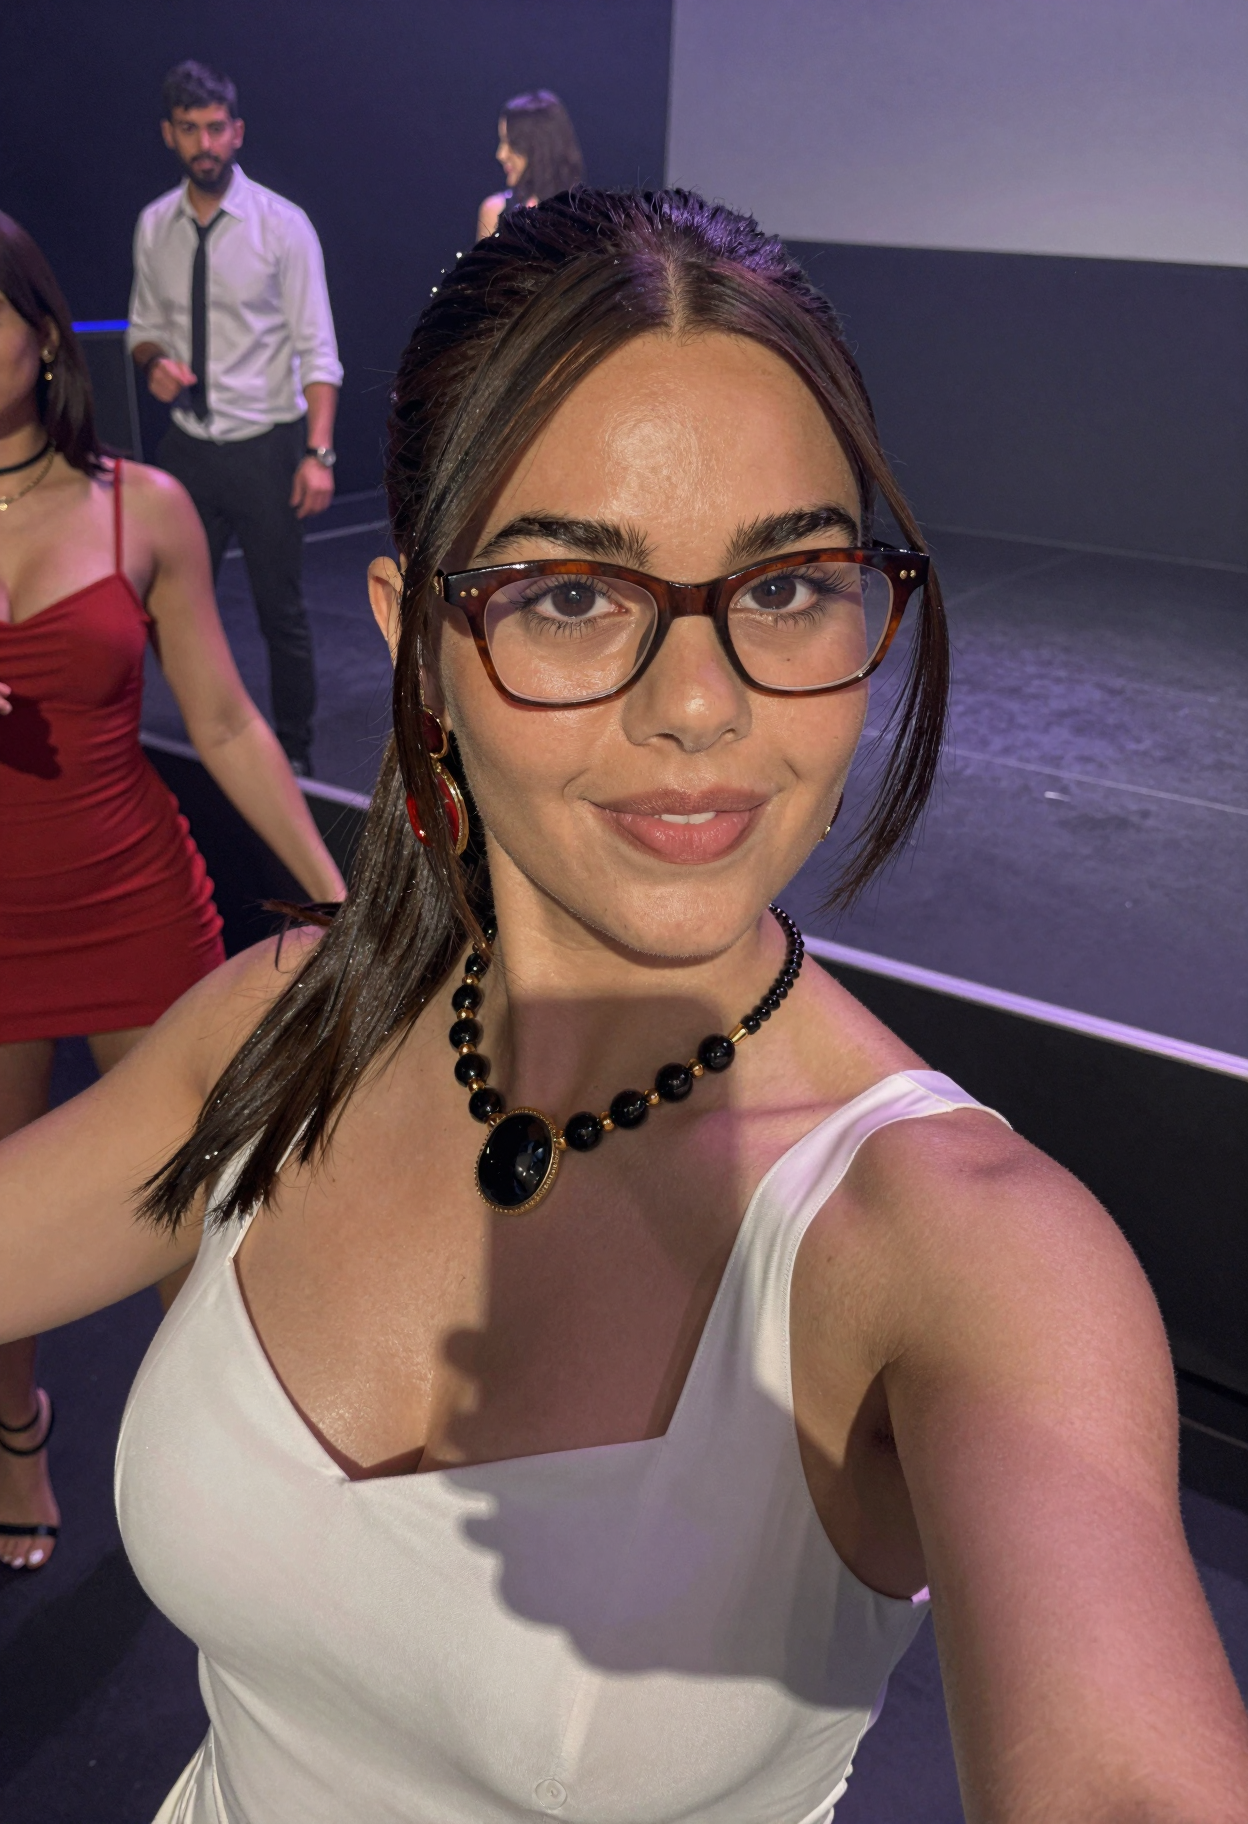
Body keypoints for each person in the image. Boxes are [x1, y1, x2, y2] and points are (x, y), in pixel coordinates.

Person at [3, 190, 1246, 1821]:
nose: (700, 706)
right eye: (572, 595)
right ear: (419, 646)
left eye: (788, 584)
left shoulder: (965, 1256)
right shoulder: (279, 1030)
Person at [0, 212, 345, 1574]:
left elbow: (225, 719)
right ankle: (17, 1432)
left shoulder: (142, 506)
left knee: (192, 1215)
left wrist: (329, 892)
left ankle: (217, 1465)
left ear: (42, 335)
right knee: (8, 1221)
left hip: (134, 900)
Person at [129, 59, 343, 775]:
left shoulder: (283, 226)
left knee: (279, 611)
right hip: (189, 447)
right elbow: (143, 328)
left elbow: (318, 348)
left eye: (216, 128)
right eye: (190, 129)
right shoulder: (154, 226)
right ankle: (192, 744)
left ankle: (297, 759)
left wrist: (318, 453)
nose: (205, 143)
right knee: (159, 606)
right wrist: (154, 363)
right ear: (169, 134)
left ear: (238, 131)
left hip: (265, 446)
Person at [476, 88, 584, 240]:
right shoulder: (494, 212)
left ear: (539, 147)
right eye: (502, 142)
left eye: (512, 143)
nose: (501, 154)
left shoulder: (585, 215)